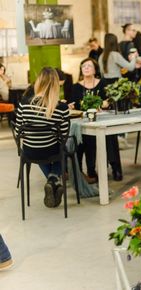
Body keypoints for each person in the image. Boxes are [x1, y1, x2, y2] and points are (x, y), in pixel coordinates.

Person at [15, 67, 70, 208]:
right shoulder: (61, 108)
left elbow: (18, 132)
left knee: (37, 147)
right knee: (63, 148)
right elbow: (63, 137)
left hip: (29, 152)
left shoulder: (24, 104)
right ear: (56, 84)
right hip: (51, 151)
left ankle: (52, 181)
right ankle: (53, 180)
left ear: (38, 82)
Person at [99, 33, 139, 181]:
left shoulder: (101, 56)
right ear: (115, 42)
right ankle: (121, 141)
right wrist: (133, 57)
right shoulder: (115, 55)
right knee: (120, 119)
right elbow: (130, 68)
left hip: (106, 88)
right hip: (118, 88)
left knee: (109, 122)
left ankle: (111, 163)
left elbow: (102, 74)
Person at [69, 58, 107, 183]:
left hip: (99, 121)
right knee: (80, 140)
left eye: (89, 66)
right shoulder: (75, 87)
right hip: (81, 121)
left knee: (92, 141)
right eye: (83, 66)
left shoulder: (102, 84)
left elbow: (108, 102)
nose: (86, 68)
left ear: (95, 69)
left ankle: (91, 170)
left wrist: (104, 104)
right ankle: (78, 171)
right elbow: (74, 105)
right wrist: (71, 106)